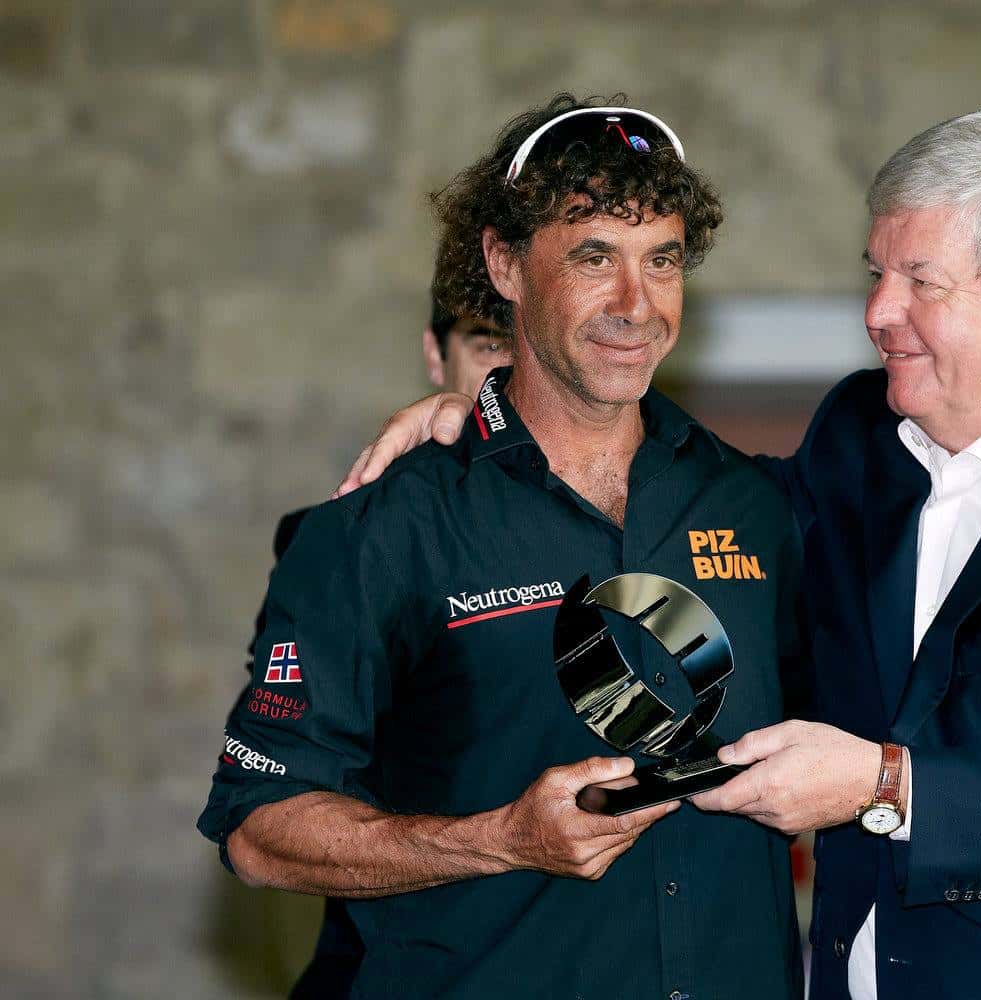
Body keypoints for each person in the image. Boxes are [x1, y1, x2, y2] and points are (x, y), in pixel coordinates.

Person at [334, 105, 981, 999]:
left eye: (921, 282)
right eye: (876, 273)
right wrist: (501, 424)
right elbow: (684, 515)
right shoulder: (859, 439)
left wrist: (882, 784)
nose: (878, 312)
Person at [201, 94, 804, 999]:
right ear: (505, 264)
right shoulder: (381, 528)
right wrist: (499, 840)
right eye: (594, 257)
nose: (636, 305)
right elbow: (259, 830)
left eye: (663, 260)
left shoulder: (757, 504)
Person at [245, 293, 512, 995]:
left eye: (532, 346)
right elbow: (275, 816)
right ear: (435, 355)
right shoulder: (354, 545)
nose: (514, 371)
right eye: (489, 343)